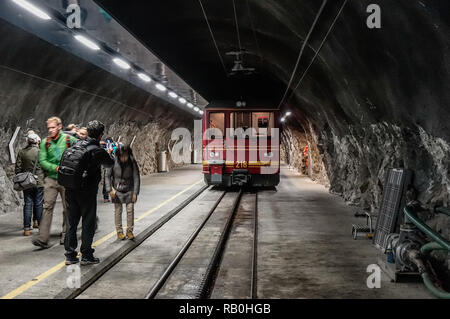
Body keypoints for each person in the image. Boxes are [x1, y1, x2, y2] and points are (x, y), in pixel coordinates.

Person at [64, 120, 114, 265]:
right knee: (88, 222)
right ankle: (86, 254)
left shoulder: (76, 144)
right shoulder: (97, 150)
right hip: (87, 191)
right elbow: (110, 163)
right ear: (100, 135)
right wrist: (108, 153)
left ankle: (70, 255)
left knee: (72, 222)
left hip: (70, 188)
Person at [32, 117, 77, 248]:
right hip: (51, 178)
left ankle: (66, 235)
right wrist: (55, 167)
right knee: (47, 207)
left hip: (66, 179)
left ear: (59, 126)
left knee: (67, 208)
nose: (50, 130)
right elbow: (43, 161)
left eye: (53, 127)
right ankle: (43, 238)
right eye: (49, 128)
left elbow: (78, 154)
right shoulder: (45, 142)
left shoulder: (69, 140)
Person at [105, 144, 140, 240]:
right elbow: (107, 176)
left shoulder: (132, 162)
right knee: (118, 211)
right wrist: (109, 189)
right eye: (122, 156)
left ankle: (129, 231)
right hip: (117, 190)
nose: (124, 158)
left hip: (129, 189)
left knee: (130, 209)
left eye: (126, 156)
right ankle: (119, 232)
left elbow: (136, 177)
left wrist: (135, 192)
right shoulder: (112, 161)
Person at [15, 133, 44, 236]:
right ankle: (41, 227)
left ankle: (27, 229)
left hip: (27, 182)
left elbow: (17, 169)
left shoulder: (21, 152)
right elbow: (45, 167)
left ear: (27, 141)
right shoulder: (41, 152)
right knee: (39, 204)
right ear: (36, 141)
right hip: (39, 182)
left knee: (28, 204)